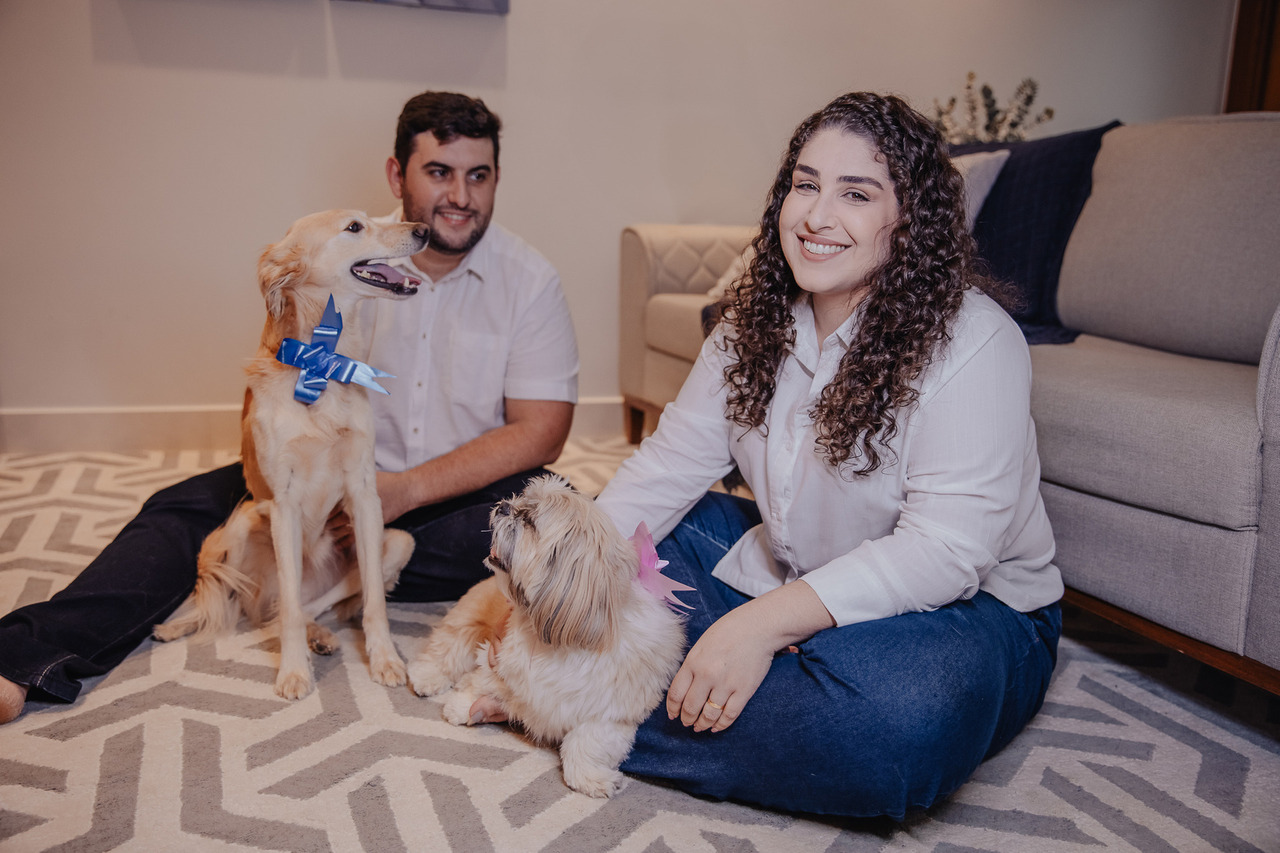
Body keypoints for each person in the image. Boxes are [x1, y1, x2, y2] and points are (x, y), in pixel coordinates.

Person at [0, 91, 578, 724]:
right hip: (321, 478)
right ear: (398, 175)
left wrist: (402, 491)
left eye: (479, 175)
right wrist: (283, 479)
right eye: (440, 172)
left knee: (549, 509)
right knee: (182, 509)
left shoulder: (530, 281)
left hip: (444, 499)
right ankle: (22, 659)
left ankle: (322, 584)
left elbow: (543, 430)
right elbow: (269, 376)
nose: (461, 196)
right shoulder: (337, 255)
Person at [590, 92, 1064, 818]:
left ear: (907, 222)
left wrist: (759, 624)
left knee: (885, 730)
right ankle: (674, 686)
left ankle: (581, 705)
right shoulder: (748, 330)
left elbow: (947, 553)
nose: (816, 216)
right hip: (795, 568)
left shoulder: (976, 342)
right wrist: (561, 571)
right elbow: (663, 472)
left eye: (856, 193)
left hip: (976, 612)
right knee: (622, 547)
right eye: (805, 185)